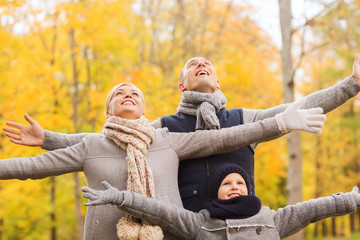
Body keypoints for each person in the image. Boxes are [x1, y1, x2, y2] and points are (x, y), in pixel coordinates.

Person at [5, 55, 360, 212]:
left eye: (207, 64)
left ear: (218, 81)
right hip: (184, 226)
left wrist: (352, 84)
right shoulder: (163, 128)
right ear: (181, 84)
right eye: (192, 65)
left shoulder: (245, 118)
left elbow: (297, 109)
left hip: (239, 220)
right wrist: (50, 139)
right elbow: (106, 142)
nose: (200, 65)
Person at [0, 83, 325, 240]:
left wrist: (282, 122)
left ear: (145, 109)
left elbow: (226, 137)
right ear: (108, 110)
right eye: (119, 93)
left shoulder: (165, 139)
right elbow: (31, 167)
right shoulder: (91, 145)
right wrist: (44, 140)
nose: (128, 94)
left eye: (135, 93)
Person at [82, 163, 360, 240]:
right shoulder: (200, 222)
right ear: (216, 193)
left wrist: (351, 199)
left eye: (240, 183)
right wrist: (120, 197)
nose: (235, 187)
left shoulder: (272, 219)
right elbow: (159, 212)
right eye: (227, 184)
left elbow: (312, 209)